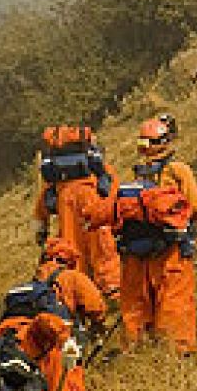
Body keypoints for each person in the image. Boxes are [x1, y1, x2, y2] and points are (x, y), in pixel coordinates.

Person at [91, 115, 197, 354]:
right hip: (170, 251)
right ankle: (178, 355)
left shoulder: (136, 178)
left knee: (136, 306)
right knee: (174, 303)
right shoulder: (177, 170)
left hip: (135, 253)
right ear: (166, 142)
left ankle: (136, 352)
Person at [32, 126, 121, 296]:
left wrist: (40, 230)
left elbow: (41, 207)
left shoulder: (56, 180)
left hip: (67, 215)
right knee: (103, 251)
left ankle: (78, 294)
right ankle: (111, 292)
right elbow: (115, 196)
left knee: (72, 253)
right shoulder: (101, 172)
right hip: (96, 214)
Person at [36, 236, 105, 391]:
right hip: (64, 348)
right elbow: (96, 307)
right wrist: (98, 325)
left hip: (37, 352)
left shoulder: (35, 281)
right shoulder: (72, 278)